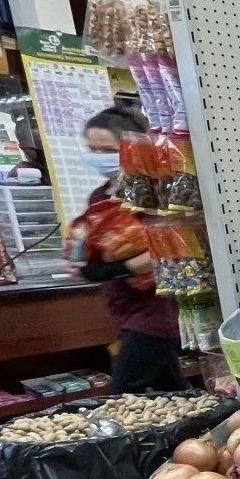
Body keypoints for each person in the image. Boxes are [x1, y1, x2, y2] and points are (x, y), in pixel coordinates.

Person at [79, 105, 185, 391]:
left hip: (154, 312)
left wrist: (113, 269)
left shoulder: (155, 191)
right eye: (92, 150)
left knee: (123, 395)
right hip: (122, 307)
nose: (98, 158)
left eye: (106, 150)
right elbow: (91, 252)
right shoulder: (99, 197)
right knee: (172, 394)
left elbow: (167, 248)